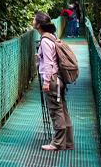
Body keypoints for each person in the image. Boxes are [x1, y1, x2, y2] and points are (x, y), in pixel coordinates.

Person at [33, 12, 74, 151]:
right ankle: (68, 142)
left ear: (39, 24)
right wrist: (40, 57)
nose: (32, 21)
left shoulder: (44, 40)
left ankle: (57, 143)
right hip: (59, 79)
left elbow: (50, 63)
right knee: (62, 109)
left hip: (52, 80)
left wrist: (46, 82)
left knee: (56, 111)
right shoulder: (52, 37)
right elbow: (52, 58)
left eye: (34, 20)